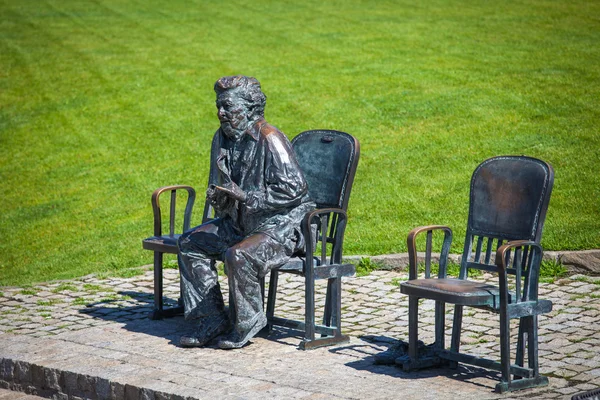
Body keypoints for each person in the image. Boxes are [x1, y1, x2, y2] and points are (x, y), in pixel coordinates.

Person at [177, 75, 314, 349]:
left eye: (228, 106)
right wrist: (220, 198)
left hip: (281, 226)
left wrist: (247, 197)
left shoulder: (270, 138)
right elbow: (219, 184)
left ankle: (246, 322)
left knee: (238, 254)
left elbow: (294, 189)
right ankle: (211, 318)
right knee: (190, 243)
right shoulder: (222, 138)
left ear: (250, 108)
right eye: (219, 106)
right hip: (240, 222)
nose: (221, 113)